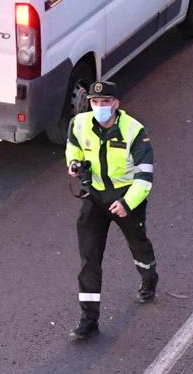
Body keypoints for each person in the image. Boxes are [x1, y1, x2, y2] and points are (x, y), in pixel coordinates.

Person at [63, 81, 158, 341]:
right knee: (89, 259)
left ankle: (149, 278)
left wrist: (127, 204)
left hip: (126, 199)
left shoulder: (135, 132)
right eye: (95, 102)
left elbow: (144, 177)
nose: (100, 107)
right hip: (94, 198)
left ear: (116, 104)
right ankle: (88, 320)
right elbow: (73, 145)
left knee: (138, 245)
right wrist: (73, 163)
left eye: (106, 102)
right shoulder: (80, 123)